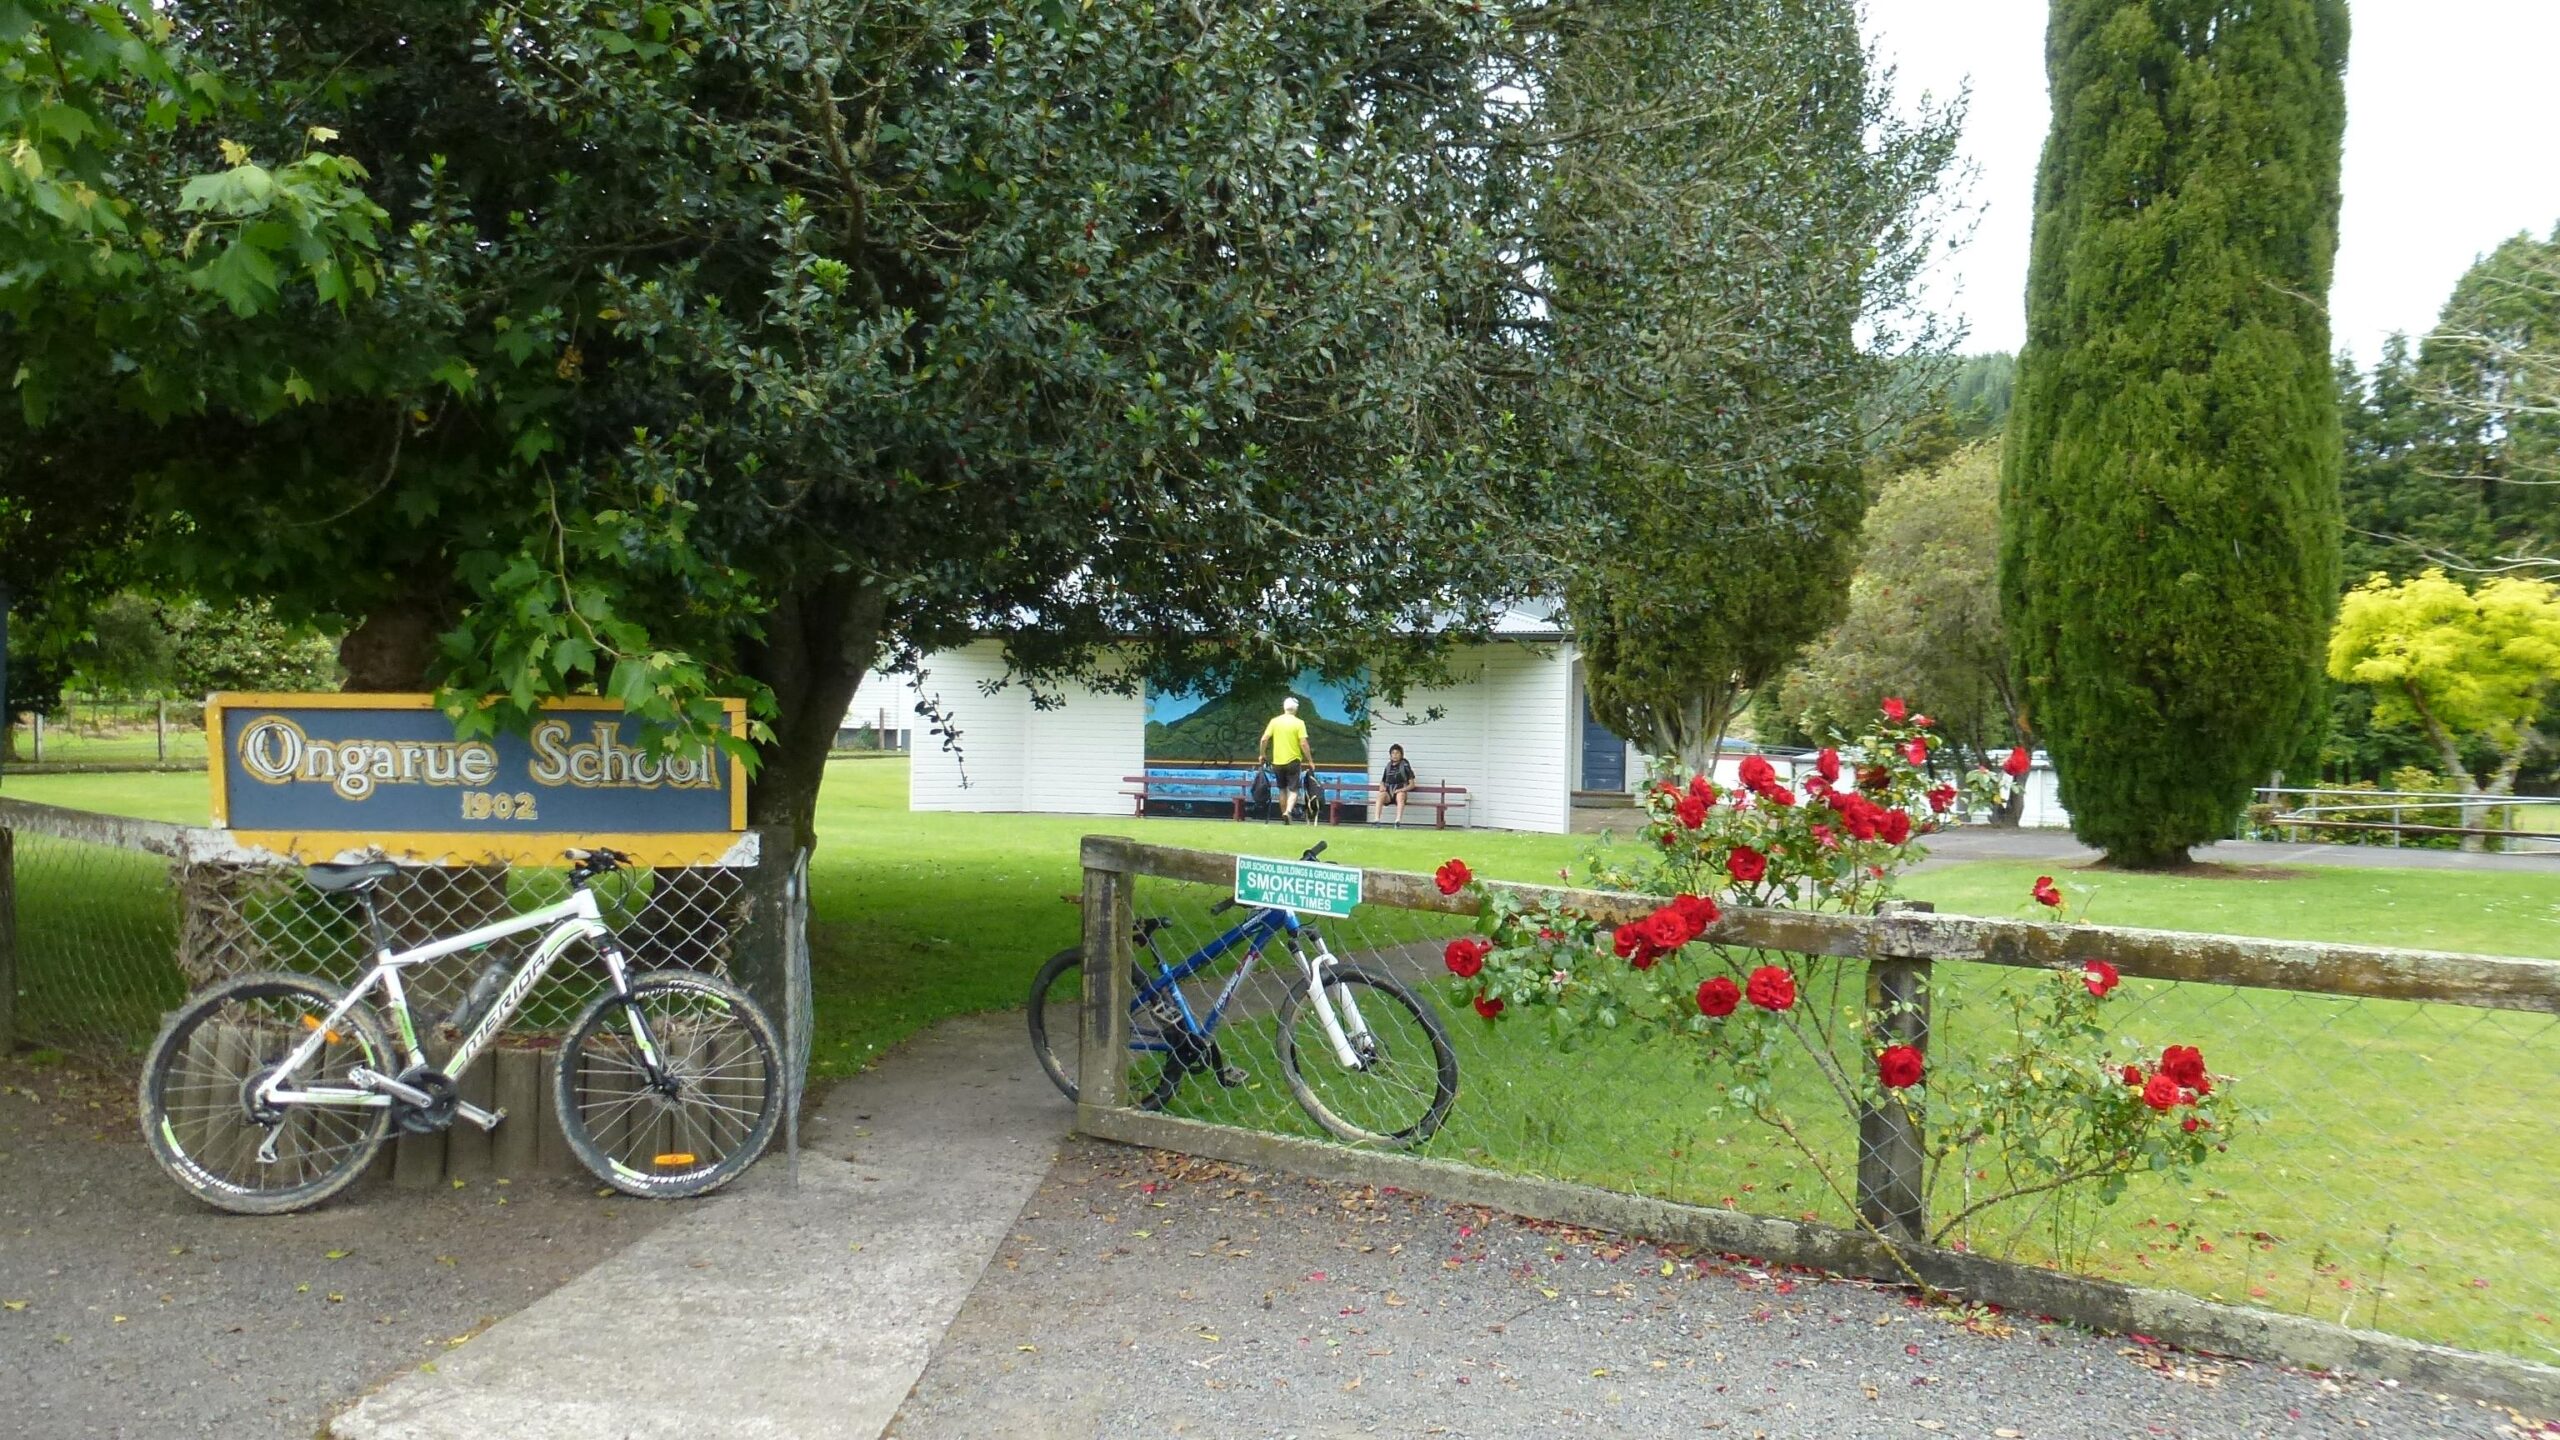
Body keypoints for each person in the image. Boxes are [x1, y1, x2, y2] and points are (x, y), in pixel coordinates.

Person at [1257, 696, 1311, 823]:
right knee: (1293, 789)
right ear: (1296, 709)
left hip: (1278, 762)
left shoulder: (1275, 721)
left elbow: (1264, 739)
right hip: (1293, 760)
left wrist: (1262, 754)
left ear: (1284, 708)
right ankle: (1288, 811)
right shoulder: (1299, 723)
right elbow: (1303, 743)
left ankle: (1284, 816)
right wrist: (1310, 760)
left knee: (1282, 789)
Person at [1377, 743, 1417, 826]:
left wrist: (1401, 790)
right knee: (1380, 796)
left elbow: (1412, 785)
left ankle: (1397, 821)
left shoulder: (1405, 766)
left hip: (1400, 792)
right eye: (1393, 753)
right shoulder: (1388, 766)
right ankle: (1376, 820)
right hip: (1389, 793)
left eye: (1397, 753)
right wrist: (1382, 786)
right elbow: (1382, 781)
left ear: (1401, 754)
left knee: (1400, 795)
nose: (1395, 755)